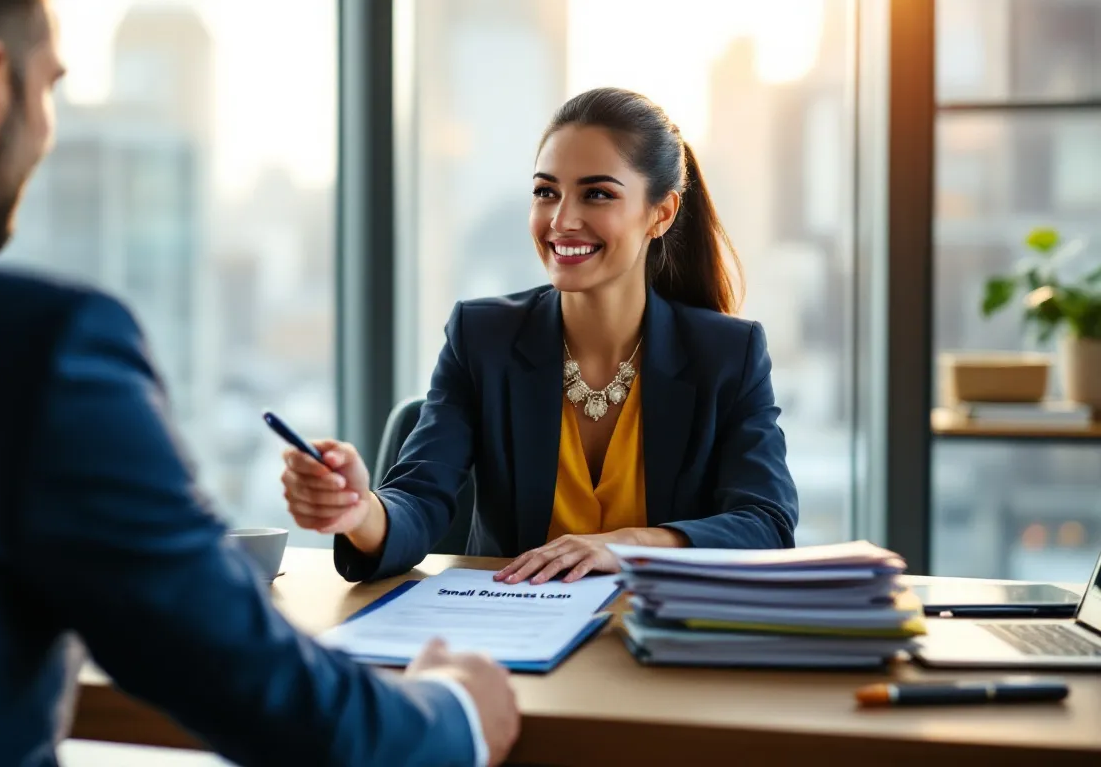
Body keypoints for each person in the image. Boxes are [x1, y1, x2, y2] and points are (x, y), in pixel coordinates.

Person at [0, 0, 518, 765]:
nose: (47, 131)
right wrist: (454, 707)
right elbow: (277, 701)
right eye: (48, 87)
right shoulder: (32, 350)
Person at [282, 87, 799, 585]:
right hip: (514, 648)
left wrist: (628, 545)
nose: (562, 219)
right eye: (546, 192)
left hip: (659, 648)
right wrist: (357, 509)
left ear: (661, 213)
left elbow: (765, 524)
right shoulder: (481, 338)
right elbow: (418, 500)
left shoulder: (728, 355)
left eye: (596, 194)